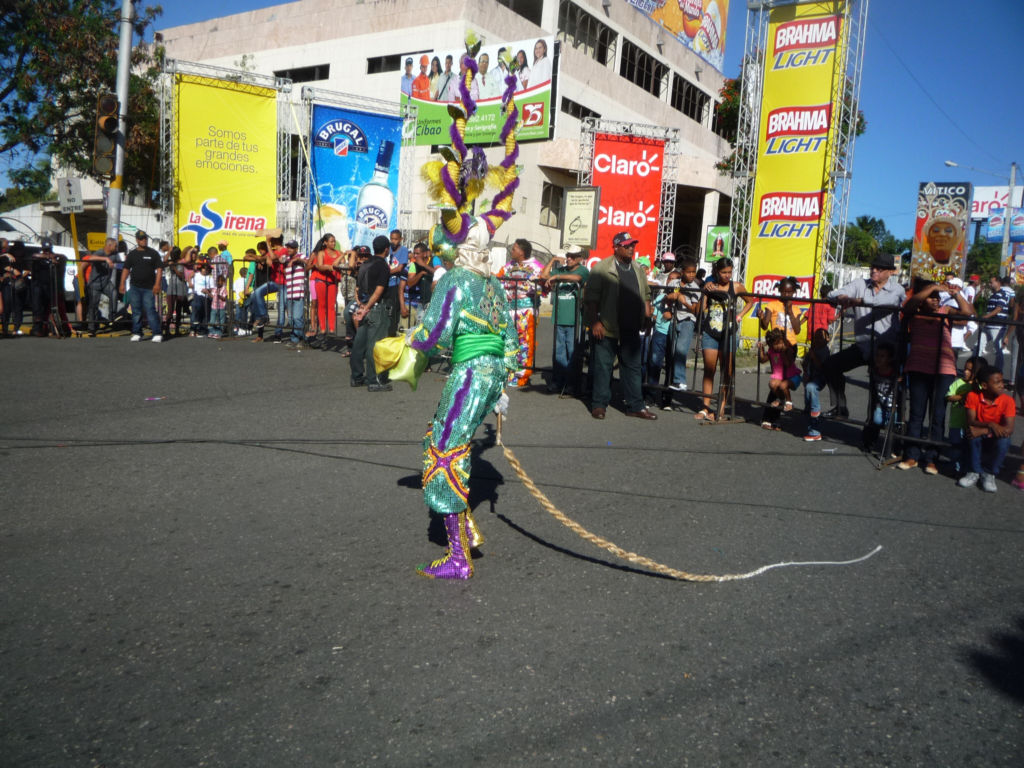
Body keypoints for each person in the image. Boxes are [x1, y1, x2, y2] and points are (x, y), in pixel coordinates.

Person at [896, 278, 974, 473]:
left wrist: (954, 293)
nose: (936, 300)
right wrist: (931, 288)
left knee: (937, 416)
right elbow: (909, 305)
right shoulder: (915, 312)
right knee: (916, 414)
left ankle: (932, 458)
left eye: (937, 297)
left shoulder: (945, 312)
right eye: (931, 297)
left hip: (943, 369)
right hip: (918, 367)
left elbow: (967, 313)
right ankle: (912, 455)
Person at [584, 231, 656, 420]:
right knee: (603, 367)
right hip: (607, 326)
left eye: (633, 245)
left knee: (632, 367)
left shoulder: (638, 268)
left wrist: (647, 317)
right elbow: (591, 299)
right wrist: (594, 322)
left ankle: (635, 406)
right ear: (616, 247)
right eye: (627, 245)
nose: (631, 248)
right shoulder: (602, 268)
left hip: (632, 326)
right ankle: (599, 405)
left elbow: (646, 294)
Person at [823, 253, 904, 418]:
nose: (874, 271)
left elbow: (886, 304)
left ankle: (876, 430)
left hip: (885, 349)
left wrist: (858, 301)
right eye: (872, 268)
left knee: (877, 393)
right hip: (863, 345)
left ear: (890, 272)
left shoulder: (897, 289)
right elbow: (832, 294)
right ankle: (841, 407)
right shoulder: (861, 283)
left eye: (879, 269)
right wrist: (842, 297)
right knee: (831, 365)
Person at [695, 257, 751, 421]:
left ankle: (720, 408)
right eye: (723, 272)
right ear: (716, 272)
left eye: (729, 272)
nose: (727, 275)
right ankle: (705, 408)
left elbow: (750, 301)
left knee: (726, 371)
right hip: (711, 331)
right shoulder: (711, 286)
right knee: (709, 370)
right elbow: (701, 309)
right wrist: (705, 292)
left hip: (729, 333)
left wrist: (740, 315)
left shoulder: (737, 286)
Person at [958, 365, 1016, 492]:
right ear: (984, 386)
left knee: (1004, 440)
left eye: (1002, 381)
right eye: (997, 382)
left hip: (994, 435)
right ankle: (974, 471)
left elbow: (1008, 429)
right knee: (972, 434)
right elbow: (971, 421)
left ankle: (990, 473)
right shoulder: (973, 396)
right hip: (984, 432)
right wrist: (991, 424)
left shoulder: (1008, 401)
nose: (1002, 385)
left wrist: (985, 429)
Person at [540, 246, 589, 394]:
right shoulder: (562, 270)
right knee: (559, 352)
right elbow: (543, 275)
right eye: (568, 255)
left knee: (572, 352)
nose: (569, 259)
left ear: (579, 258)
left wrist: (556, 277)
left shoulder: (582, 270)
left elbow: (578, 278)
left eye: (573, 256)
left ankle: (572, 384)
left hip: (574, 319)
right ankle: (558, 382)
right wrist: (554, 260)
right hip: (559, 317)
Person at [350, 234, 392, 392]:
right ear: (386, 249)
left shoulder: (365, 264)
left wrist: (361, 306)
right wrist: (368, 307)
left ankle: (356, 376)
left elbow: (358, 288)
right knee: (374, 345)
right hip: (375, 307)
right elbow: (379, 290)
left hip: (363, 305)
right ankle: (373, 380)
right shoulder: (383, 266)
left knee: (359, 343)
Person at [499, 238, 541, 388]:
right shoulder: (507, 267)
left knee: (525, 342)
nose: (512, 251)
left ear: (522, 252)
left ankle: (522, 375)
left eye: (515, 248)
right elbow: (499, 282)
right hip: (509, 309)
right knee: (508, 341)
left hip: (526, 311)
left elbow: (541, 287)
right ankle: (507, 372)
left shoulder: (536, 267)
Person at [120, 230, 163, 342]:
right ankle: (137, 332)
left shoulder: (153, 253)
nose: (143, 240)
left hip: (149, 287)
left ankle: (157, 333)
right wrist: (122, 283)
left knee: (150, 310)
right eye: (141, 238)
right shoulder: (132, 254)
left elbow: (159, 269)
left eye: (145, 238)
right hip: (135, 287)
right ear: (137, 240)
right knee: (136, 310)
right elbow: (126, 269)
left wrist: (157, 284)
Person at [665, 256, 700, 392]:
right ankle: (673, 380)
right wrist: (671, 297)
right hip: (674, 320)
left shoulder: (695, 288)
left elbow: (695, 309)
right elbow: (665, 297)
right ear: (682, 272)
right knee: (673, 351)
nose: (691, 275)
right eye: (689, 272)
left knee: (681, 350)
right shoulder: (674, 284)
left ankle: (680, 380)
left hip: (687, 320)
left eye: (694, 272)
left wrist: (683, 301)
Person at [757, 329, 800, 430]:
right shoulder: (772, 351)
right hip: (778, 377)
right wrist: (761, 350)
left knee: (780, 387)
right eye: (775, 345)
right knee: (773, 385)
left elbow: (787, 363)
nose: (778, 346)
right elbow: (762, 360)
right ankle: (780, 401)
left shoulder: (787, 350)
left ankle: (785, 403)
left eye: (780, 343)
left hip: (790, 376)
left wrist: (783, 351)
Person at [946, 356, 981, 475]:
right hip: (956, 422)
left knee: (968, 447)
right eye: (965, 369)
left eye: (970, 370)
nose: (966, 372)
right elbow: (949, 396)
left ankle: (967, 467)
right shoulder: (958, 383)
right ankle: (955, 467)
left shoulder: (978, 386)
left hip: (970, 423)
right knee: (955, 445)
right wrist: (962, 397)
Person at [861, 342, 898, 452]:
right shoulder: (875, 371)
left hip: (892, 404)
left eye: (882, 356)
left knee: (893, 425)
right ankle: (870, 441)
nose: (878, 359)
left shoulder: (893, 372)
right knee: (876, 420)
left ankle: (893, 447)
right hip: (880, 404)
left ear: (890, 359)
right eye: (877, 355)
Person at [310, 233, 343, 349]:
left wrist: (341, 257)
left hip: (333, 281)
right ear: (325, 242)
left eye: (334, 241)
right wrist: (330, 267)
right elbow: (319, 266)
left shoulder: (338, 253)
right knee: (322, 306)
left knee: (331, 305)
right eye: (331, 241)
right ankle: (323, 329)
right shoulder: (321, 253)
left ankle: (332, 329)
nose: (333, 243)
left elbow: (341, 264)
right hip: (321, 280)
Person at [83, 237, 120, 336]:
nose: (117, 248)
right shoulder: (100, 252)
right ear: (109, 245)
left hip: (106, 282)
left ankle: (112, 317)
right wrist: (106, 259)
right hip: (95, 283)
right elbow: (91, 258)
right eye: (115, 246)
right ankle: (92, 327)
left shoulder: (115, 255)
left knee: (114, 293)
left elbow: (121, 263)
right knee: (93, 305)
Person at [979, 275, 1014, 373]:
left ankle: (998, 371)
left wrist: (985, 317)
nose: (990, 284)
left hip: (997, 325)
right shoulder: (993, 294)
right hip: (989, 325)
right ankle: (976, 367)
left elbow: (999, 309)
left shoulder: (1002, 294)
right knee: (979, 345)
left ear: (998, 282)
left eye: (991, 282)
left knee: (997, 349)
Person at [802, 328, 831, 441]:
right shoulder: (813, 349)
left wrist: (814, 357)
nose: (817, 340)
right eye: (815, 338)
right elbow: (805, 364)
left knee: (811, 387)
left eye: (820, 338)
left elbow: (822, 368)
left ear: (827, 339)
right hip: (810, 377)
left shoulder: (825, 351)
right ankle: (813, 431)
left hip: (820, 377)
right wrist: (807, 359)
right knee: (808, 401)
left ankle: (815, 409)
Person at [759, 276, 804, 345]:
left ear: (794, 292)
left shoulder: (796, 309)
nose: (786, 294)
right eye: (784, 292)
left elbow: (797, 331)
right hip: (776, 344)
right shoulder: (772, 305)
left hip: (791, 345)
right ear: (779, 290)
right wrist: (761, 318)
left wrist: (790, 312)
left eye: (789, 292)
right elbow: (765, 327)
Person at [281, 240, 307, 348]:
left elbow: (308, 262)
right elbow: (279, 260)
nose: (289, 250)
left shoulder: (301, 255)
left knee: (297, 317)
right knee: (291, 318)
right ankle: (294, 338)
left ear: (296, 249)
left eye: (291, 248)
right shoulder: (286, 258)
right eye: (288, 247)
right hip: (289, 291)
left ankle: (302, 338)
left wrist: (297, 259)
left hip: (298, 291)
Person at [386, 229, 409, 336]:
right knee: (387, 309)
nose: (393, 241)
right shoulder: (388, 250)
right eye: (391, 239)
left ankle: (393, 332)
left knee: (394, 310)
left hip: (396, 283)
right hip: (387, 283)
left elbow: (400, 268)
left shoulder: (403, 250)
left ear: (400, 239)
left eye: (395, 239)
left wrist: (387, 272)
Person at [190, 260, 213, 337]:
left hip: (206, 296)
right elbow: (190, 282)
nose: (205, 270)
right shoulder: (195, 275)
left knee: (206, 312)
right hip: (197, 295)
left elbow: (212, 288)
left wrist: (208, 290)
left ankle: (202, 329)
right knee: (197, 310)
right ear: (201, 269)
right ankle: (194, 328)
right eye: (204, 268)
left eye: (207, 269)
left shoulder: (210, 278)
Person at [208, 273, 228, 339]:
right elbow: (212, 295)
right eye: (217, 281)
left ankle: (219, 333)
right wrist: (207, 293)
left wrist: (221, 297)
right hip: (214, 307)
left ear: (223, 282)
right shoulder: (215, 288)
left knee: (220, 321)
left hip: (221, 307)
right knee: (212, 320)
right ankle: (212, 332)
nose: (218, 282)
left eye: (220, 281)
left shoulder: (224, 289)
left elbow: (225, 298)